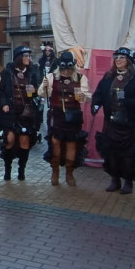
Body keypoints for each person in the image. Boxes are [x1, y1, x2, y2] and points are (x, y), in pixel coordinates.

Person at [91, 48, 135, 194]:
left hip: (128, 122)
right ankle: (115, 180)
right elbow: (99, 93)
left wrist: (130, 102)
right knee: (111, 153)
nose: (118, 60)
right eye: (116, 57)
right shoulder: (109, 76)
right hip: (111, 122)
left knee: (127, 155)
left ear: (128, 60)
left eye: (122, 57)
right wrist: (96, 105)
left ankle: (128, 180)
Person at [40, 50, 89, 186]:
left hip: (73, 116)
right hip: (57, 115)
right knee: (55, 143)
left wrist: (83, 96)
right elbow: (41, 94)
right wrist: (45, 88)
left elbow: (87, 96)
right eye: (64, 68)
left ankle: (69, 173)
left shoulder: (81, 78)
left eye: (69, 68)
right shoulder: (51, 77)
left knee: (72, 144)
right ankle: (55, 171)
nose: (66, 71)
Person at [0, 46, 42, 181]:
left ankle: (21, 170)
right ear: (19, 58)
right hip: (10, 112)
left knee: (24, 142)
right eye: (26, 56)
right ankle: (7, 169)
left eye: (29, 56)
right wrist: (4, 104)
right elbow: (1, 91)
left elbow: (37, 92)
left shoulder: (33, 72)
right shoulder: (7, 72)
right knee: (9, 140)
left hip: (26, 113)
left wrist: (34, 90)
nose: (28, 58)